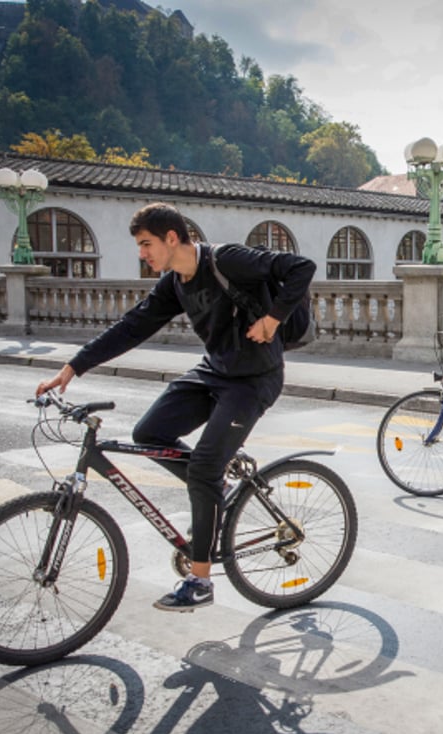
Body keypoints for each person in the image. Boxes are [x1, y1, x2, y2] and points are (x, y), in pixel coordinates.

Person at [35, 202, 315, 611]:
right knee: (148, 434)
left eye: (146, 244)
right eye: (138, 246)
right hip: (213, 371)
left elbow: (300, 267)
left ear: (172, 238)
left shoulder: (227, 260)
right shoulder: (174, 284)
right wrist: (73, 367)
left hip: (254, 379)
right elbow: (133, 326)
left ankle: (200, 581)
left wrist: (273, 319)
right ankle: (213, 485)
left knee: (201, 467)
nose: (142, 254)